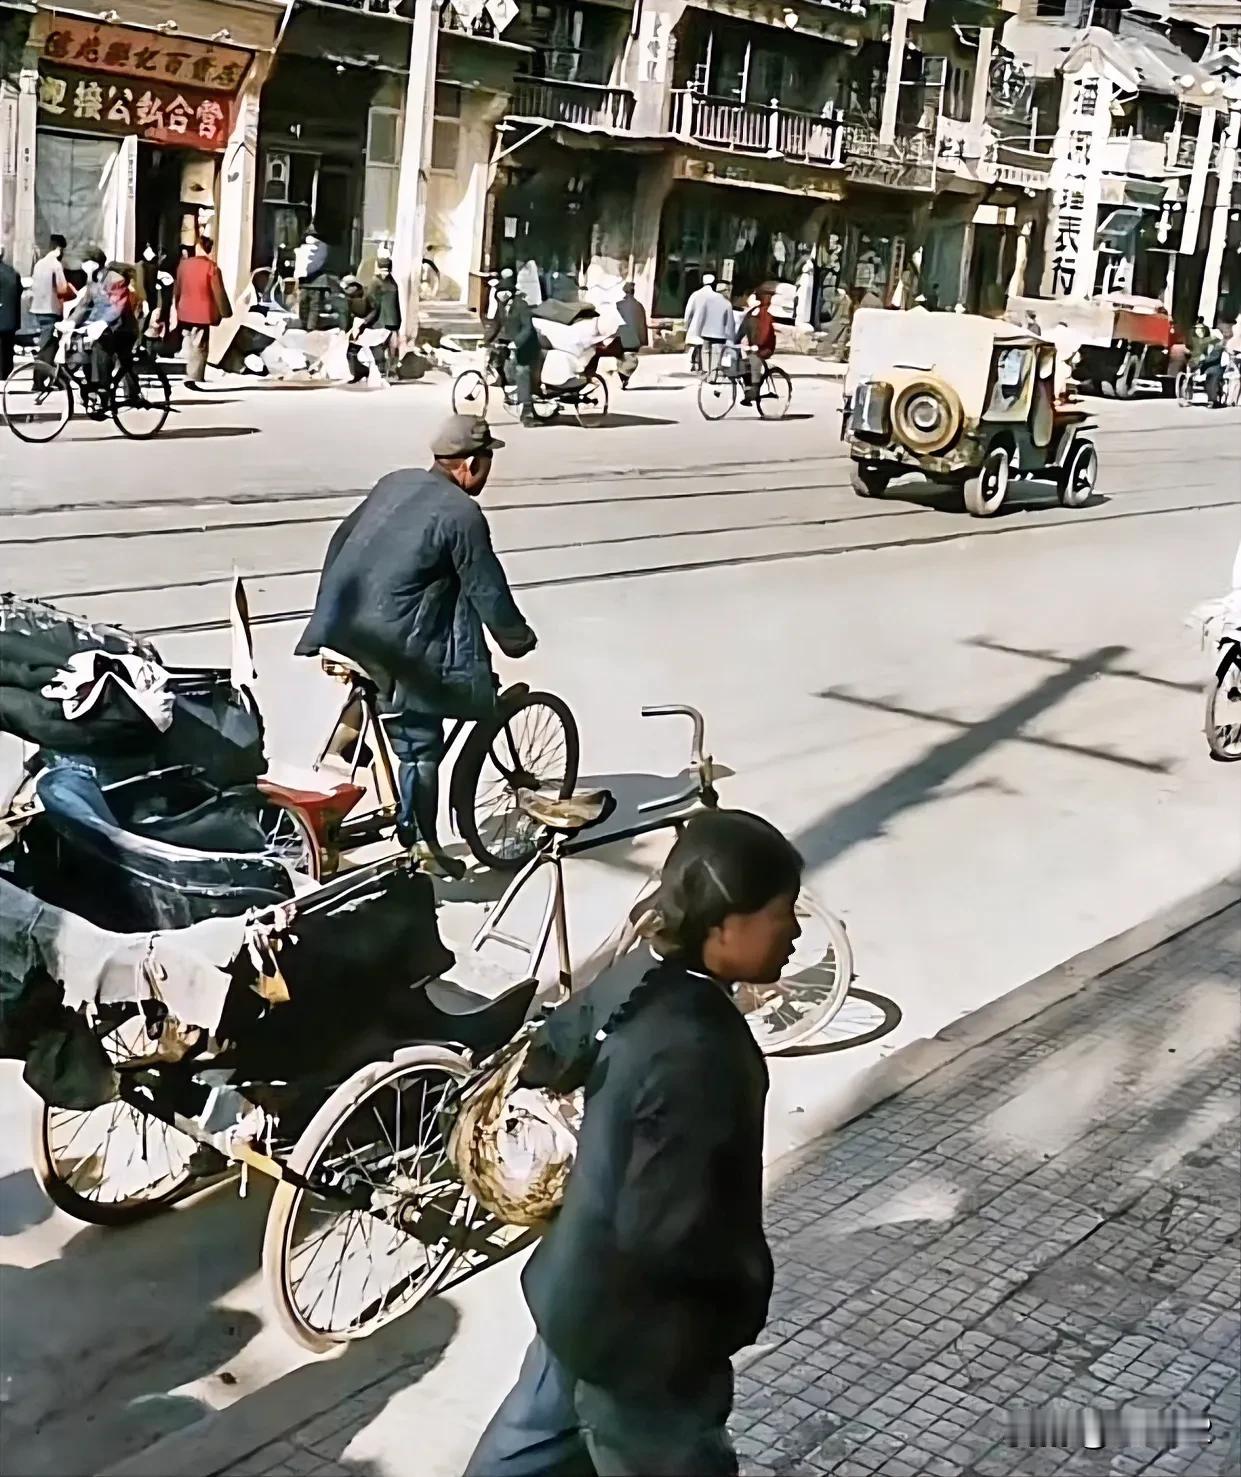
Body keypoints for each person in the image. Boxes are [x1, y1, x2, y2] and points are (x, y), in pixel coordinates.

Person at [465, 808, 799, 1476]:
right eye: (781, 912)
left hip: (572, 1295)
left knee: (517, 1458)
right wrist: (737, 1304)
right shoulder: (701, 1049)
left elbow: (549, 1051)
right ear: (724, 922)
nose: (792, 931)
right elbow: (674, 1225)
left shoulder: (641, 975)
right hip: (639, 1341)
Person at [295, 415, 536, 877]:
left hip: (344, 623)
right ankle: (421, 844)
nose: (487, 471)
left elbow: (341, 539)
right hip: (391, 641)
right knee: (421, 743)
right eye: (486, 462)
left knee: (388, 693)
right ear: (469, 464)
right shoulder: (462, 514)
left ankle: (349, 738)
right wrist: (516, 638)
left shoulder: (395, 482)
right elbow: (487, 587)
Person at [68, 260, 140, 408]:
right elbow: (83, 306)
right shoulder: (95, 287)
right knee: (86, 350)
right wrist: (71, 322)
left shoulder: (122, 289)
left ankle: (103, 390)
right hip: (105, 330)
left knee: (103, 351)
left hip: (123, 331)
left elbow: (116, 310)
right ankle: (92, 388)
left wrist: (102, 324)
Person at [173, 236, 231, 388]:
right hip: (203, 312)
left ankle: (187, 370)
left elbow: (177, 289)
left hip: (185, 309)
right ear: (209, 249)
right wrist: (225, 311)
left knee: (189, 341)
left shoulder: (183, 266)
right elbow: (218, 292)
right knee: (200, 345)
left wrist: (176, 306)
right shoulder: (211, 267)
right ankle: (194, 376)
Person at [484, 286, 543, 425]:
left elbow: (527, 328)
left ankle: (527, 411)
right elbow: (497, 324)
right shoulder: (501, 305)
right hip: (510, 340)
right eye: (499, 292)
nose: (502, 295)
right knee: (497, 361)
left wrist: (516, 343)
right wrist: (486, 340)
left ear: (511, 292)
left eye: (505, 292)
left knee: (522, 372)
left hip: (527, 344)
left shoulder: (521, 305)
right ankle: (507, 392)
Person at [686, 276, 738, 378]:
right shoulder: (727, 304)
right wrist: (731, 338)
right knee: (716, 354)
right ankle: (713, 374)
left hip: (705, 332)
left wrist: (697, 330)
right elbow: (730, 323)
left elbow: (701, 316)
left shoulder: (707, 300)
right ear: (725, 291)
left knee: (705, 353)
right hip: (720, 334)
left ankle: (707, 372)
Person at [735, 282, 777, 404]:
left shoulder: (765, 314)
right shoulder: (752, 312)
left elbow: (766, 332)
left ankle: (754, 390)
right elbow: (743, 329)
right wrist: (735, 342)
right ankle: (749, 389)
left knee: (754, 361)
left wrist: (758, 345)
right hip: (753, 346)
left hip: (764, 347)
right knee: (741, 366)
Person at [29, 233, 70, 348]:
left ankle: (42, 360)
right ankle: (43, 362)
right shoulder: (56, 265)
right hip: (50, 308)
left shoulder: (39, 264)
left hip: (37, 307)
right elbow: (62, 288)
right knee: (48, 338)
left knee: (45, 334)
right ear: (59, 248)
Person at [370, 255, 402, 375]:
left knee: (378, 345)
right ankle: (392, 368)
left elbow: (370, 300)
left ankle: (382, 368)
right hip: (393, 320)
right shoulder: (393, 283)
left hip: (380, 320)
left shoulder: (375, 282)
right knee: (393, 346)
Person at [682, 271, 717, 372]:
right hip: (709, 326)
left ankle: (695, 364)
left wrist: (686, 324)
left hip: (695, 324)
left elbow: (688, 312)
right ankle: (703, 366)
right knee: (705, 347)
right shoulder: (715, 296)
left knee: (697, 345)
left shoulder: (695, 295)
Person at [615, 281, 648, 388]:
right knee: (630, 359)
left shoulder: (618, 305)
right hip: (634, 340)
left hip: (621, 339)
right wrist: (643, 340)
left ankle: (623, 378)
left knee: (620, 359)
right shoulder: (639, 306)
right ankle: (625, 377)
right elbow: (642, 325)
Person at [0, 246, 21, 379]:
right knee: (7, 348)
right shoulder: (12, 271)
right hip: (11, 318)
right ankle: (6, 373)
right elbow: (19, 291)